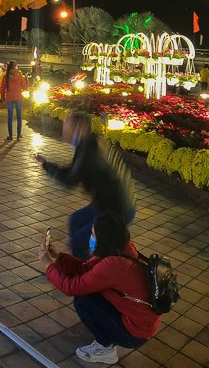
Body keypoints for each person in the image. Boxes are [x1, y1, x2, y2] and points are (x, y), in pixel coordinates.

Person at [41, 214, 161, 365]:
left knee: (83, 301)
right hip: (144, 322)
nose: (90, 237)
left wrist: (48, 266)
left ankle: (106, 349)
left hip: (135, 333)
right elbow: (85, 269)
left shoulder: (113, 265)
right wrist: (58, 256)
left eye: (93, 234)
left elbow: (71, 287)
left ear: (104, 239)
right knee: (90, 292)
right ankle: (109, 338)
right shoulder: (122, 249)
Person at [36, 110, 135, 259]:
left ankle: (84, 272)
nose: (64, 132)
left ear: (80, 128)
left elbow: (70, 180)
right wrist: (47, 165)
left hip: (117, 209)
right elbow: (71, 171)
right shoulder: (87, 144)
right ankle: (85, 263)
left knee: (77, 241)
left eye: (67, 128)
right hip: (105, 203)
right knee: (75, 220)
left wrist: (47, 166)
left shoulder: (89, 152)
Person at [0, 60, 29, 140]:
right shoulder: (19, 75)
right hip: (19, 97)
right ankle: (19, 135)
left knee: (10, 117)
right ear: (16, 66)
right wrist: (26, 79)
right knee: (19, 117)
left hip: (9, 97)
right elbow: (25, 87)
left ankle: (10, 136)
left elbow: (2, 89)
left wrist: (3, 98)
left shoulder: (5, 76)